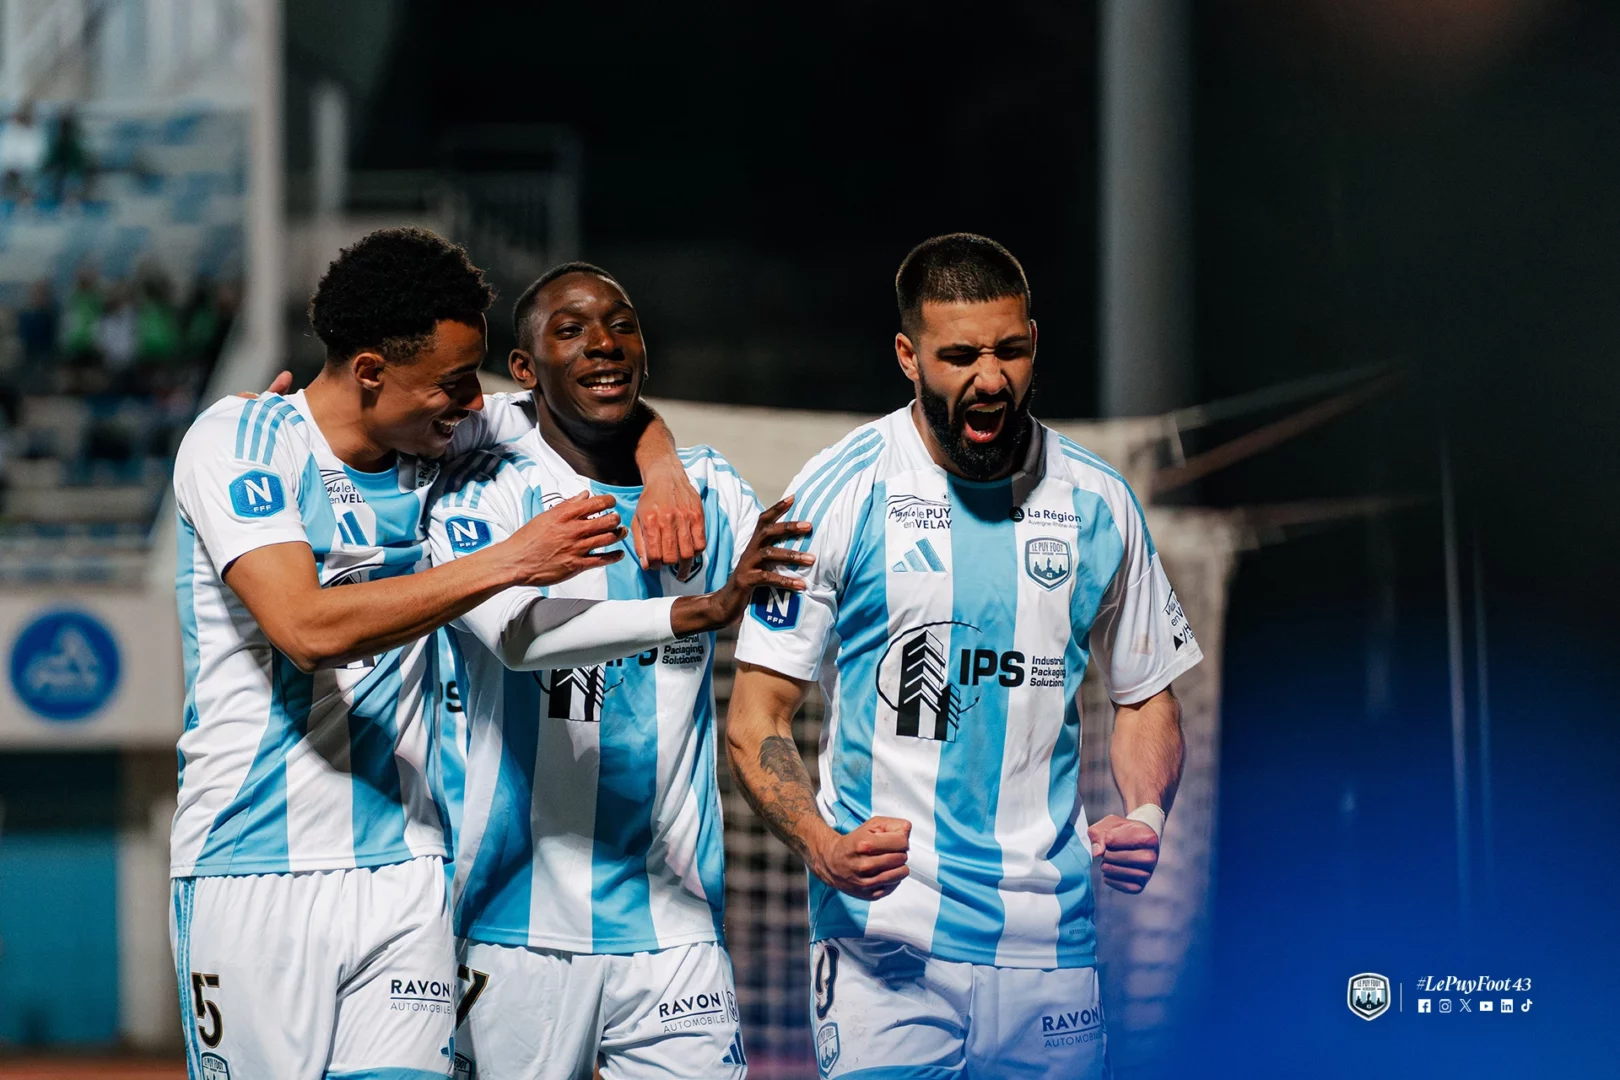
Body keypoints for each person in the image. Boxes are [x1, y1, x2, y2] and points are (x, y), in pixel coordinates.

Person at [168, 227, 705, 1080]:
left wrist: (664, 466)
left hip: (410, 869)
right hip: (254, 863)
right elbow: (305, 630)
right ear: (370, 371)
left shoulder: (439, 436)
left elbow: (605, 411)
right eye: (452, 384)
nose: (472, 402)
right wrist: (510, 561)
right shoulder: (242, 442)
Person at [725, 234, 1202, 1079]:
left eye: (1009, 350)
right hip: (883, 938)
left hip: (1053, 946)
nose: (990, 379)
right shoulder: (839, 491)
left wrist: (1147, 813)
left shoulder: (1098, 500)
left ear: (1034, 344)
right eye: (959, 356)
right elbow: (756, 716)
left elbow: (1145, 693)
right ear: (908, 357)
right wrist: (822, 845)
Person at [428, 262, 812, 1079]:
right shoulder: (481, 489)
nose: (604, 343)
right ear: (524, 369)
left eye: (622, 325)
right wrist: (697, 610)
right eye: (570, 330)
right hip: (514, 924)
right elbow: (517, 635)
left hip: (676, 922)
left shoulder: (710, 489)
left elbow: (806, 614)